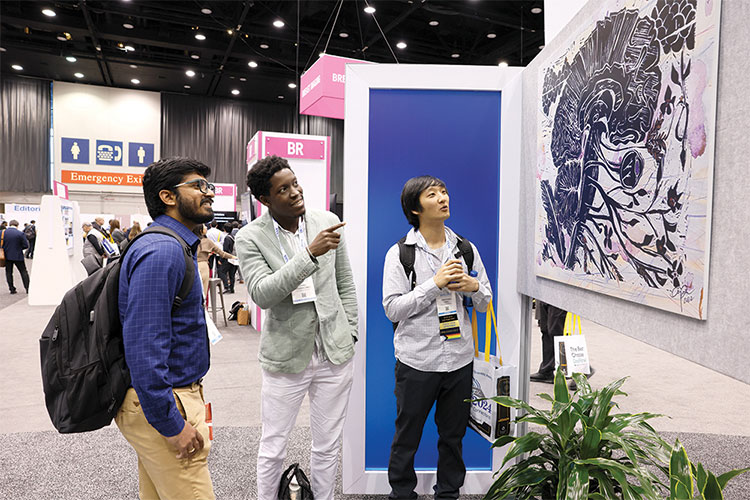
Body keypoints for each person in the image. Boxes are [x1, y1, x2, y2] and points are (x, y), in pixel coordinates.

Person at [236, 155, 358, 500]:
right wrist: (309, 254)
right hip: (286, 356)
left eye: (295, 183)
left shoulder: (326, 221)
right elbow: (262, 293)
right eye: (283, 189)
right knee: (274, 445)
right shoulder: (250, 238)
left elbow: (344, 283)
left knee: (327, 444)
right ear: (265, 199)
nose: (294, 192)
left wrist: (351, 331)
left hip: (335, 352)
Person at [382, 175, 492, 500]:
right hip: (417, 361)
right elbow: (392, 308)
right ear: (415, 209)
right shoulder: (400, 254)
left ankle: (448, 494)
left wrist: (475, 288)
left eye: (444, 192)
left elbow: (485, 303)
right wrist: (435, 284)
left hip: (459, 360)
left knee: (453, 437)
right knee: (407, 436)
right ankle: (401, 494)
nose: (443, 198)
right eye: (433, 194)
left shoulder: (466, 249)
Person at [116, 157, 217, 500]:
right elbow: (144, 345)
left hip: (165, 397)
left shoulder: (171, 246)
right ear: (168, 197)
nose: (209, 194)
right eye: (198, 186)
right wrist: (171, 423)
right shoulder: (162, 251)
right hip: (165, 401)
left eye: (209, 186)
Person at [193, 224, 235, 294]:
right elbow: (222, 253)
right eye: (204, 227)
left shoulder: (191, 240)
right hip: (203, 266)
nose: (206, 228)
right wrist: (232, 257)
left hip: (192, 265)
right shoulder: (207, 241)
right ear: (201, 231)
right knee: (203, 290)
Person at [1, 220, 30, 294]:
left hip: (6, 256)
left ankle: (12, 289)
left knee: (9, 272)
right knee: (23, 271)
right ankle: (27, 288)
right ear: (17, 225)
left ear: (9, 225)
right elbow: (26, 245)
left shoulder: (2, 233)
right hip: (18, 256)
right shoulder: (20, 233)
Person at [218, 221, 238, 293]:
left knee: (222, 272)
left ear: (224, 229)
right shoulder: (233, 237)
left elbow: (225, 250)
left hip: (228, 259)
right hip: (234, 258)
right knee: (232, 274)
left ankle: (226, 287)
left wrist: (221, 259)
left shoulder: (227, 238)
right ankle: (232, 288)